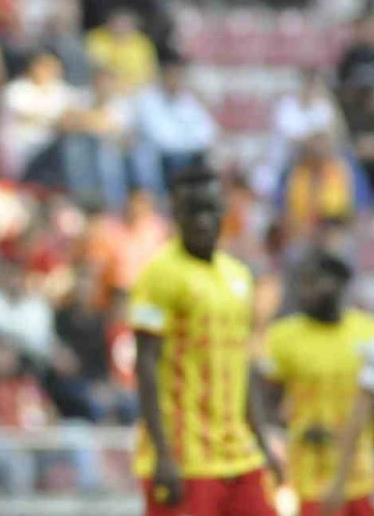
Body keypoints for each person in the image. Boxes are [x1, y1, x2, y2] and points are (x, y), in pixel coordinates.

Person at [130, 160, 282, 516]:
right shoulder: (159, 274)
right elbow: (146, 363)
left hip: (239, 454)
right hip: (186, 459)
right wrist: (163, 454)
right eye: (192, 211)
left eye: (209, 210)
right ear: (176, 214)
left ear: (223, 213)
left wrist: (263, 442)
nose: (202, 221)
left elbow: (243, 365)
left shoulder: (238, 276)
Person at [262, 250, 374, 516]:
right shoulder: (283, 336)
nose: (305, 291)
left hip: (362, 472)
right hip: (307, 474)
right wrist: (278, 433)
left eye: (313, 282)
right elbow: (265, 395)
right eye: (302, 283)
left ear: (338, 284)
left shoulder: (368, 332)